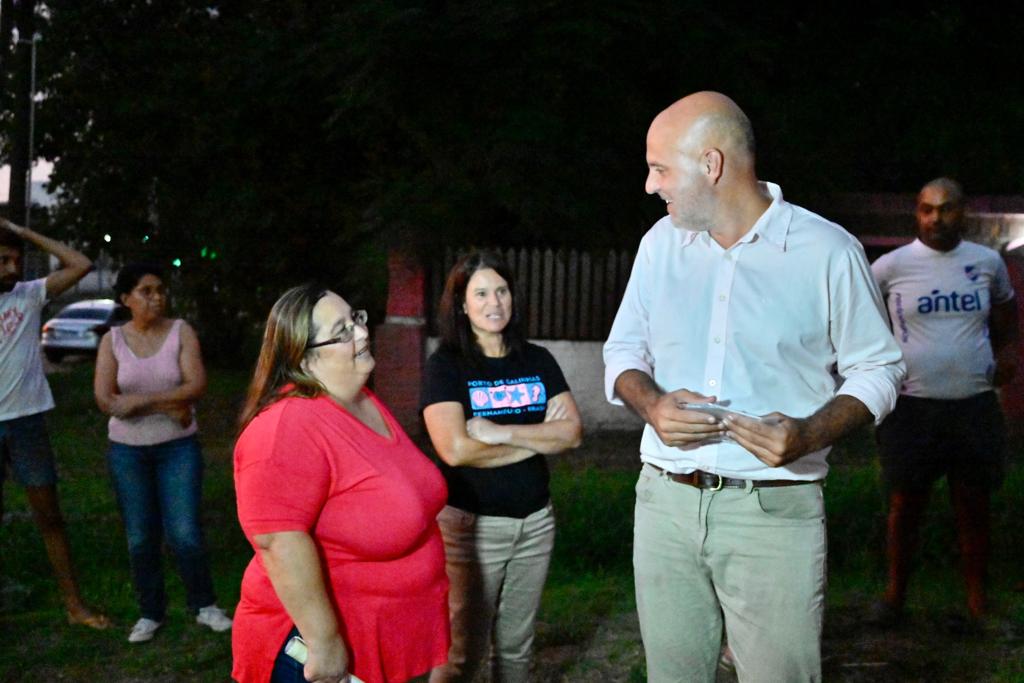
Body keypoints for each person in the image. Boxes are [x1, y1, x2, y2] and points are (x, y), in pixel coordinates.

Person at [602, 92, 906, 682]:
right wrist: (652, 404)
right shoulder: (659, 245)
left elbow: (881, 368)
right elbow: (623, 352)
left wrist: (811, 432)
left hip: (774, 509)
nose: (648, 184)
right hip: (664, 502)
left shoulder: (828, 252)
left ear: (710, 165)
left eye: (659, 167)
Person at [232, 284, 449, 683]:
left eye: (357, 319)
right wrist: (325, 642)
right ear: (304, 356)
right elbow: (278, 541)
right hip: (314, 655)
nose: (363, 333)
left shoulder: (361, 399)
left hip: (381, 640)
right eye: (343, 330)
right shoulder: (287, 426)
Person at [422, 250, 583, 683]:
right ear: (461, 304)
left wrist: (501, 432)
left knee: (516, 649)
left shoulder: (537, 360)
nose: (495, 302)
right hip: (473, 529)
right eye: (480, 294)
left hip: (536, 523)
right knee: (461, 655)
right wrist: (537, 440)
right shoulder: (446, 366)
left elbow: (572, 433)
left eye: (502, 290)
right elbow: (455, 450)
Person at [870, 178, 1018, 628]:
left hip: (972, 404)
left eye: (947, 209)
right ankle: (894, 599)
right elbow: (866, 327)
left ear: (964, 212)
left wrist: (1002, 358)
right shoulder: (890, 268)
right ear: (916, 213)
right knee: (904, 505)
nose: (937, 218)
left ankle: (977, 602)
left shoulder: (987, 262)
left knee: (973, 505)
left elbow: (1006, 318)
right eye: (928, 210)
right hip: (911, 406)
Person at [93, 263, 232, 643]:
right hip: (127, 452)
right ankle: (150, 612)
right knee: (140, 536)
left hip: (178, 448)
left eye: (160, 290)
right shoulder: (113, 341)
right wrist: (168, 406)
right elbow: (106, 400)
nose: (157, 298)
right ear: (126, 299)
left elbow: (196, 384)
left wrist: (140, 401)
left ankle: (204, 604)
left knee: (185, 532)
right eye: (146, 291)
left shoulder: (180, 331)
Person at [0, 216, 109, 629]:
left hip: (26, 422)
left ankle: (74, 604)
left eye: (16, 259)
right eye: (3, 260)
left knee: (50, 517)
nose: (12, 268)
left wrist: (25, 233)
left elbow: (80, 264)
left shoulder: (28, 295)